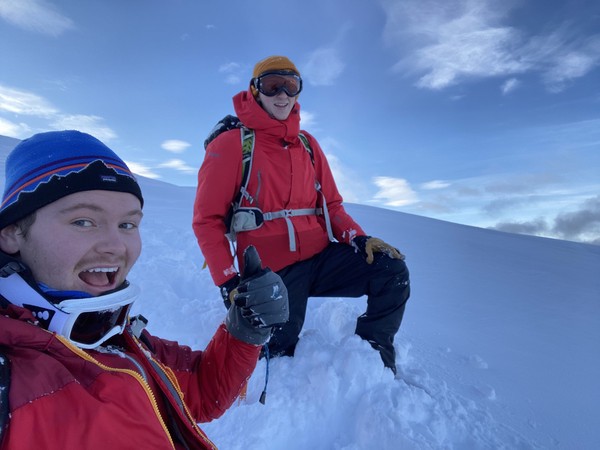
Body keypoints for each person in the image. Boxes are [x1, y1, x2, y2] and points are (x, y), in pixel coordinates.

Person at [0, 130, 288, 450]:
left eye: (127, 225)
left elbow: (201, 390)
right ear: (11, 233)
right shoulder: (9, 378)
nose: (115, 246)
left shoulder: (117, 335)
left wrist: (244, 329)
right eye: (83, 221)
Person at [193, 55, 410, 375]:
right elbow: (206, 221)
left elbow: (332, 205)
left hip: (320, 257)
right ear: (255, 90)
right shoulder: (232, 145)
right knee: (278, 349)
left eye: (290, 85)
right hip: (271, 268)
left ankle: (372, 358)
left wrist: (359, 238)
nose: (282, 94)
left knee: (390, 270)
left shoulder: (308, 144)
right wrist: (228, 281)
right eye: (272, 85)